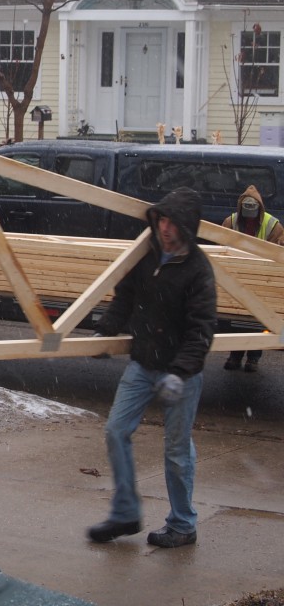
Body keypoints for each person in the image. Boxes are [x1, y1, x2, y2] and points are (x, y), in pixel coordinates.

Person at [87, 187, 217, 549]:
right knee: (115, 431)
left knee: (176, 451)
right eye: (161, 219)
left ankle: (182, 524)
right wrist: (105, 331)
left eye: (171, 222)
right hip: (143, 365)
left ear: (186, 227)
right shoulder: (148, 254)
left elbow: (201, 329)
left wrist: (180, 372)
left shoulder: (198, 270)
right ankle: (126, 513)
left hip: (181, 373)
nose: (164, 228)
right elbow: (125, 297)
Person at [221, 185, 283, 372]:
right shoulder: (231, 222)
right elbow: (221, 245)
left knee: (258, 320)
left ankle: (253, 359)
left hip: (263, 279)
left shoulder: (273, 225)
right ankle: (235, 356)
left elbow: (280, 251)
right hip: (235, 278)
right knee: (237, 320)